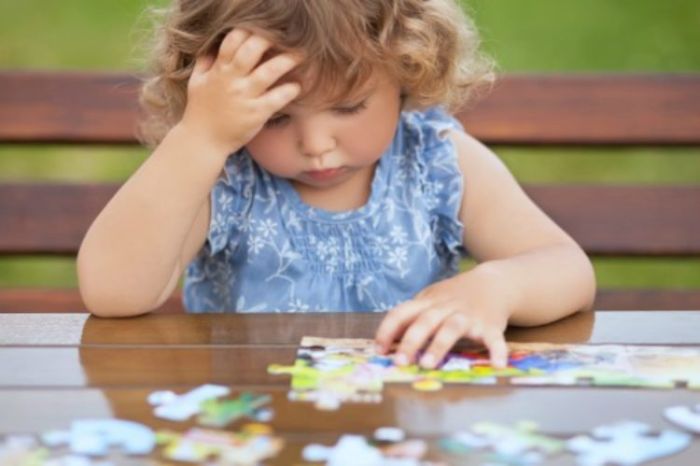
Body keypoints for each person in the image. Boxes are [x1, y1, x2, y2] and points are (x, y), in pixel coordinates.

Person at [77, 0, 596, 370]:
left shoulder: (435, 160)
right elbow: (113, 291)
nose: (317, 144)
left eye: (348, 107)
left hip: (402, 431)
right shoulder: (223, 172)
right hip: (249, 429)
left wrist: (495, 288)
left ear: (407, 71)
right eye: (276, 118)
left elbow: (566, 267)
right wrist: (199, 138)